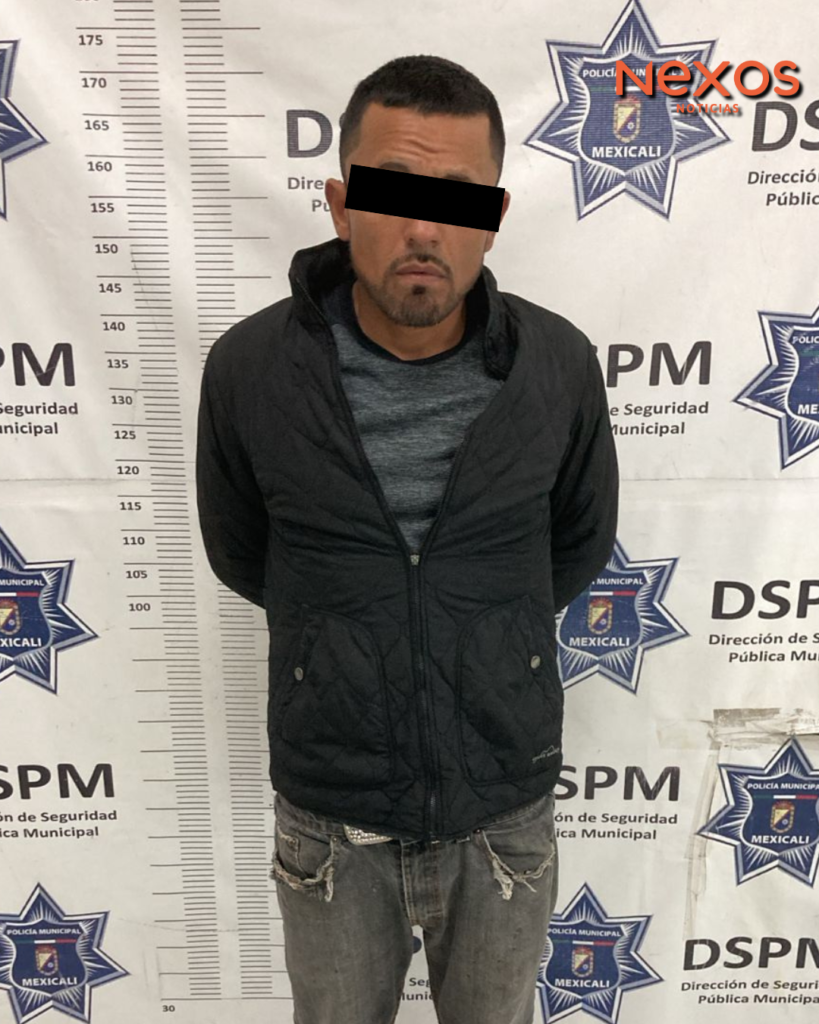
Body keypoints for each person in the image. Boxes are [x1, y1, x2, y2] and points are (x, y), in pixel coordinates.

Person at [196, 54, 618, 1024]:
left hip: (502, 808)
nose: (423, 230)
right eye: (392, 195)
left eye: (455, 201)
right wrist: (359, 620)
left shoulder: (556, 365)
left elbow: (576, 541)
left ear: (492, 217)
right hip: (331, 817)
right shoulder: (250, 369)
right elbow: (243, 550)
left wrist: (469, 614)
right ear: (342, 204)